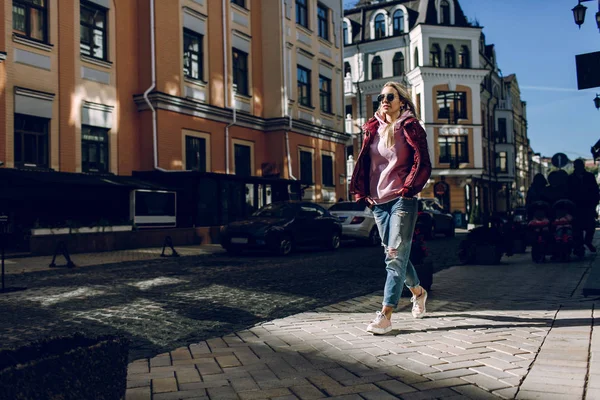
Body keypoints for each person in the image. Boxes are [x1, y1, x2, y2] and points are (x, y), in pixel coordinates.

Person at [349, 81, 432, 335]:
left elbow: (423, 162)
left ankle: (385, 315)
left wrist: (408, 188)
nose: (384, 100)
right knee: (395, 253)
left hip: (402, 200)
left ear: (402, 102)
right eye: (381, 97)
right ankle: (418, 291)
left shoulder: (411, 127)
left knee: (394, 256)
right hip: (378, 202)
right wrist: (364, 193)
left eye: (390, 97)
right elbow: (367, 165)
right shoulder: (372, 128)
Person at [568, 159, 599, 252]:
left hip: (588, 205)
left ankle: (588, 241)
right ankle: (579, 246)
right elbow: (568, 191)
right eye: (576, 165)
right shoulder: (571, 178)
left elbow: (595, 190)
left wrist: (595, 202)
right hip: (576, 206)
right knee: (577, 228)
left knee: (591, 226)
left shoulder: (589, 176)